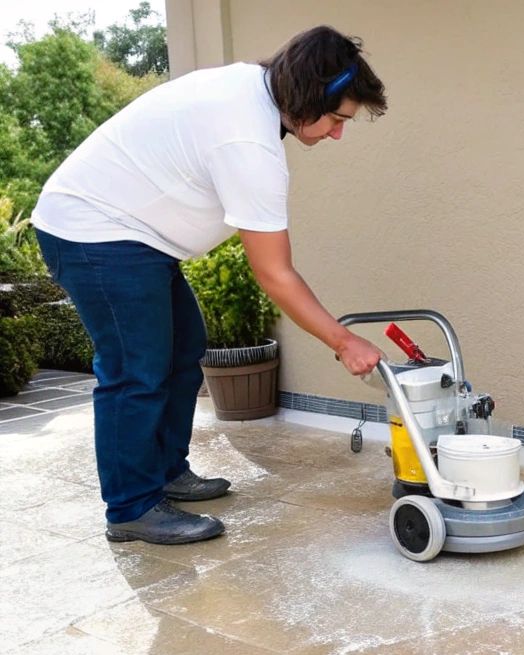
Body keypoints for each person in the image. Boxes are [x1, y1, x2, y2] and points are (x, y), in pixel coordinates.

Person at [31, 25, 388, 545]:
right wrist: (344, 341)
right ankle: (131, 507)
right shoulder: (247, 138)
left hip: (136, 238)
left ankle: (165, 473)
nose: (337, 134)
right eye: (337, 118)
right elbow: (275, 274)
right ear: (311, 96)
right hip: (94, 232)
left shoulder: (252, 93)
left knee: (183, 350)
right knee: (136, 370)